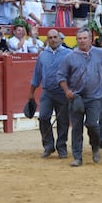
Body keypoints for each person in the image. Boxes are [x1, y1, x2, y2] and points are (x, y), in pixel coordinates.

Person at [57, 27, 102, 167]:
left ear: (90, 40)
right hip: (76, 97)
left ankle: (95, 147)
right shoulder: (69, 57)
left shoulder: (99, 53)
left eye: (84, 38)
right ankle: (77, 157)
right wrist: (66, 91)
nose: (82, 41)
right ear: (77, 40)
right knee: (76, 127)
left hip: (94, 96)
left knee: (93, 124)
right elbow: (61, 76)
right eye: (79, 39)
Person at [29, 29, 72, 159]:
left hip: (62, 93)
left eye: (55, 37)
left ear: (60, 38)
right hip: (47, 92)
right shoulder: (43, 55)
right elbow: (36, 75)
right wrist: (31, 93)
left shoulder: (69, 54)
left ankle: (61, 147)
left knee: (63, 121)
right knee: (43, 117)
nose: (53, 40)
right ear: (47, 39)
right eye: (50, 37)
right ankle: (48, 146)